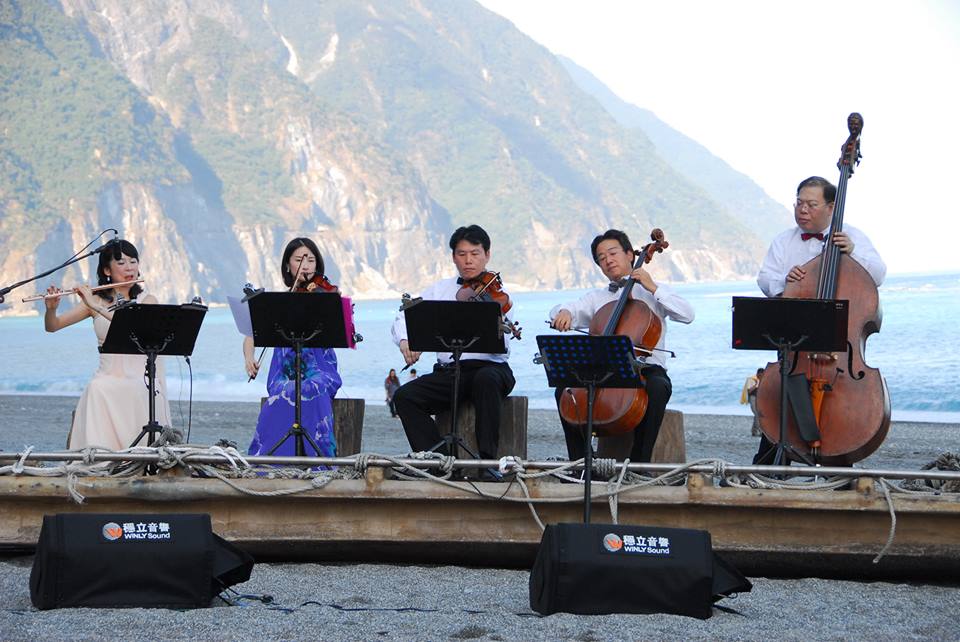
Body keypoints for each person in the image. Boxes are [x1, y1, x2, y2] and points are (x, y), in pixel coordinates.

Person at [753, 176, 887, 463]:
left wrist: (853, 253)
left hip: (840, 344)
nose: (802, 210)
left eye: (811, 204)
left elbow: (878, 274)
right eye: (799, 203)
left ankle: (840, 457)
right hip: (795, 340)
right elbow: (765, 278)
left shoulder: (853, 236)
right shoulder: (784, 240)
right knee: (781, 398)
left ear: (831, 207)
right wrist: (784, 281)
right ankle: (771, 460)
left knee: (837, 410)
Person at [549, 229, 694, 463]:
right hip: (605, 369)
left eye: (612, 253)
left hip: (644, 368)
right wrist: (563, 312)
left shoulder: (652, 291)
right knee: (565, 391)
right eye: (601, 258)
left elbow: (687, 315)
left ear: (629, 254)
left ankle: (639, 463)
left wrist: (653, 287)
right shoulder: (597, 298)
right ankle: (581, 462)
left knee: (658, 388)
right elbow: (565, 309)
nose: (607, 260)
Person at [390, 225, 516, 478]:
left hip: (491, 369)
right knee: (404, 396)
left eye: (475, 253)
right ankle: (437, 460)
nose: (468, 260)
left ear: (487, 255)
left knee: (486, 379)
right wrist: (406, 340)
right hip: (450, 373)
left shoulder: (499, 295)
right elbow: (404, 316)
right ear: (453, 257)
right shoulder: (438, 290)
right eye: (461, 254)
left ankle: (487, 462)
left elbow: (506, 333)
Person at [43, 239, 171, 450]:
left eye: (133, 261)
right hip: (108, 375)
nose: (129, 267)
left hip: (141, 377)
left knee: (137, 388)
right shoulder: (95, 301)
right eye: (121, 263)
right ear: (106, 270)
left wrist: (94, 305)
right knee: (97, 387)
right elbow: (53, 326)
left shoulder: (148, 300)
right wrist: (51, 309)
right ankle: (100, 457)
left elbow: (133, 327)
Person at [243, 238, 342, 457]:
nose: (306, 265)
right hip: (285, 371)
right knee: (283, 392)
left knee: (312, 388)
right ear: (288, 266)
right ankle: (271, 458)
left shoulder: (324, 296)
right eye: (299, 259)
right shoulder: (279, 302)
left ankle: (320, 457)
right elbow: (251, 333)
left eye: (311, 260)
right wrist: (249, 358)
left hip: (319, 369)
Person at [740, 368, 764, 437]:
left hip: (759, 398)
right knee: (757, 414)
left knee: (758, 414)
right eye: (761, 375)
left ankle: (754, 431)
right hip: (753, 397)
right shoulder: (752, 379)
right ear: (758, 374)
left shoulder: (762, 379)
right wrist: (756, 385)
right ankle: (758, 431)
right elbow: (749, 391)